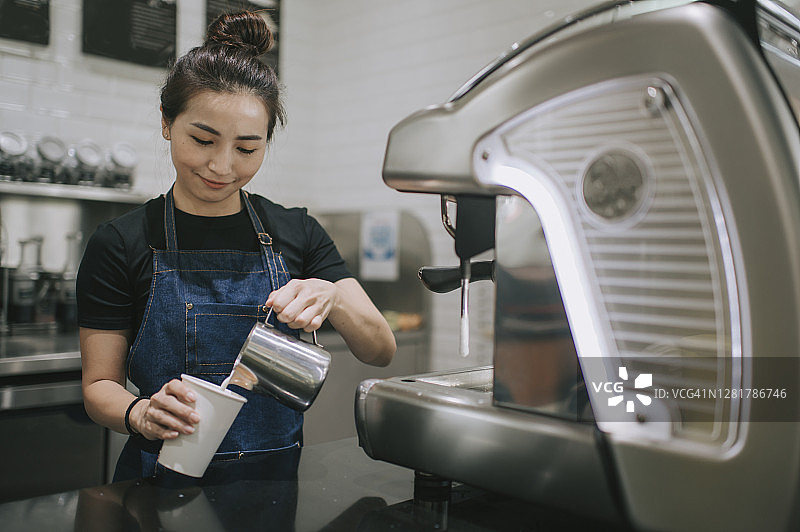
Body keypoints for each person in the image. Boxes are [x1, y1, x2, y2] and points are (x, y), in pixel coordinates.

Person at [77, 10, 396, 482]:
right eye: (202, 140)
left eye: (247, 148)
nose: (222, 166)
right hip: (159, 482)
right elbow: (99, 386)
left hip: (276, 485)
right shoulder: (122, 242)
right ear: (166, 122)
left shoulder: (296, 231)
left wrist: (333, 296)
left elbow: (380, 350)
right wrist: (139, 412)